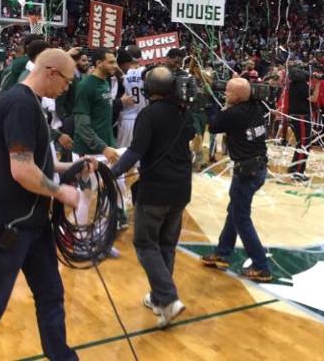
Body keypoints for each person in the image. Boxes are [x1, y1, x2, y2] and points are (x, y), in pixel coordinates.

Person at [0, 49, 83, 360]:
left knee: (51, 295)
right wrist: (62, 193)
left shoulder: (28, 103)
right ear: (51, 72)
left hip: (31, 223)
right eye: (66, 81)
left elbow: (32, 163)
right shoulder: (21, 104)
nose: (66, 88)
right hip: (8, 225)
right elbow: (22, 170)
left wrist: (73, 167)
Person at [109, 66, 195, 328]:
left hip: (156, 189)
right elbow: (190, 134)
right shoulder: (184, 111)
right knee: (166, 245)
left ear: (148, 89)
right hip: (181, 188)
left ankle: (168, 298)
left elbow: (136, 151)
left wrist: (112, 173)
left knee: (146, 244)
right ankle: (159, 300)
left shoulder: (148, 114)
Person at [201, 78, 272, 282]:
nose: (225, 94)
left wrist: (219, 106)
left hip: (247, 172)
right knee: (235, 210)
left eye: (229, 92)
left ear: (238, 97)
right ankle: (222, 253)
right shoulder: (256, 106)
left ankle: (261, 266)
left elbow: (213, 126)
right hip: (256, 168)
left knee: (241, 217)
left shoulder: (234, 113)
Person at [72, 48, 132, 229]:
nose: (115, 66)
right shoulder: (86, 86)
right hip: (88, 151)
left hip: (106, 148)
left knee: (113, 191)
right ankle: (78, 238)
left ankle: (101, 237)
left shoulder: (105, 83)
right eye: (111, 62)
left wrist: (108, 146)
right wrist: (102, 147)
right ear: (98, 63)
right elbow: (82, 125)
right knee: (85, 197)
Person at [286, 64, 311, 181]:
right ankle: (298, 172)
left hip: (295, 116)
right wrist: (318, 85)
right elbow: (313, 98)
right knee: (304, 144)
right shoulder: (302, 86)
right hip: (301, 117)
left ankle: (293, 167)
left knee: (300, 143)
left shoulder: (292, 85)